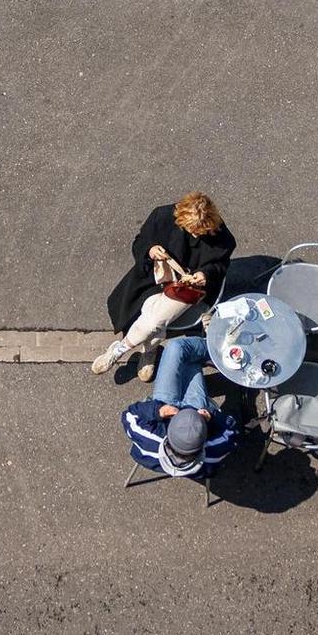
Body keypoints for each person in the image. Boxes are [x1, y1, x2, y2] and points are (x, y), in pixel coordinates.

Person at [95, 192, 236, 379]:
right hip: (154, 280)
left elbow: (220, 266)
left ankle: (120, 349)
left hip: (186, 289)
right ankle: (149, 350)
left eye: (200, 232)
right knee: (153, 319)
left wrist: (204, 274)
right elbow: (140, 242)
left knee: (154, 321)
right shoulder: (162, 216)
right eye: (191, 229)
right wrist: (150, 250)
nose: (195, 235)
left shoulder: (221, 237)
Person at [120, 336, 240, 478]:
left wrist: (158, 411)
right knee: (188, 357)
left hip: (170, 410)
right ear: (202, 444)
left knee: (178, 349)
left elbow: (129, 415)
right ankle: (221, 350)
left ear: (168, 437)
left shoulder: (149, 440)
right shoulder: (213, 452)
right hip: (198, 409)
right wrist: (211, 416)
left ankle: (215, 350)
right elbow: (232, 428)